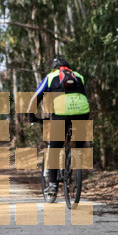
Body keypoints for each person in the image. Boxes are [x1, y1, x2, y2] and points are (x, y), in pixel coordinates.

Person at [27, 56, 90, 202]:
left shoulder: (51, 76)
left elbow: (36, 96)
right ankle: (76, 165)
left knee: (54, 149)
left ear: (54, 68)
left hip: (61, 114)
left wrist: (31, 115)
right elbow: (82, 95)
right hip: (82, 112)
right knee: (78, 145)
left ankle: (53, 185)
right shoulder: (78, 76)